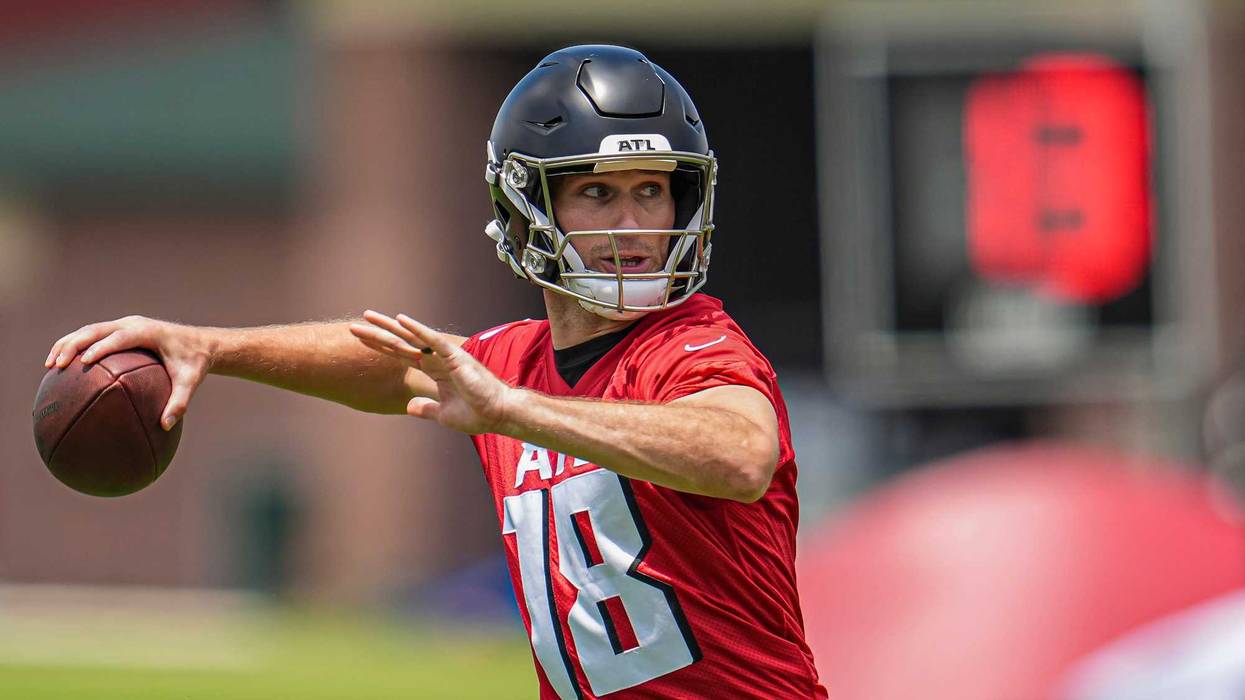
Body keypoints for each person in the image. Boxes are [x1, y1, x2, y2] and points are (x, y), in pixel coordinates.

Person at [43, 44, 826, 699]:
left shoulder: (693, 345)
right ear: (527, 208)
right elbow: (392, 371)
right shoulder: (513, 362)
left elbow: (738, 453)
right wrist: (212, 346)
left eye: (651, 193)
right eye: (596, 192)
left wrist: (516, 412)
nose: (632, 226)